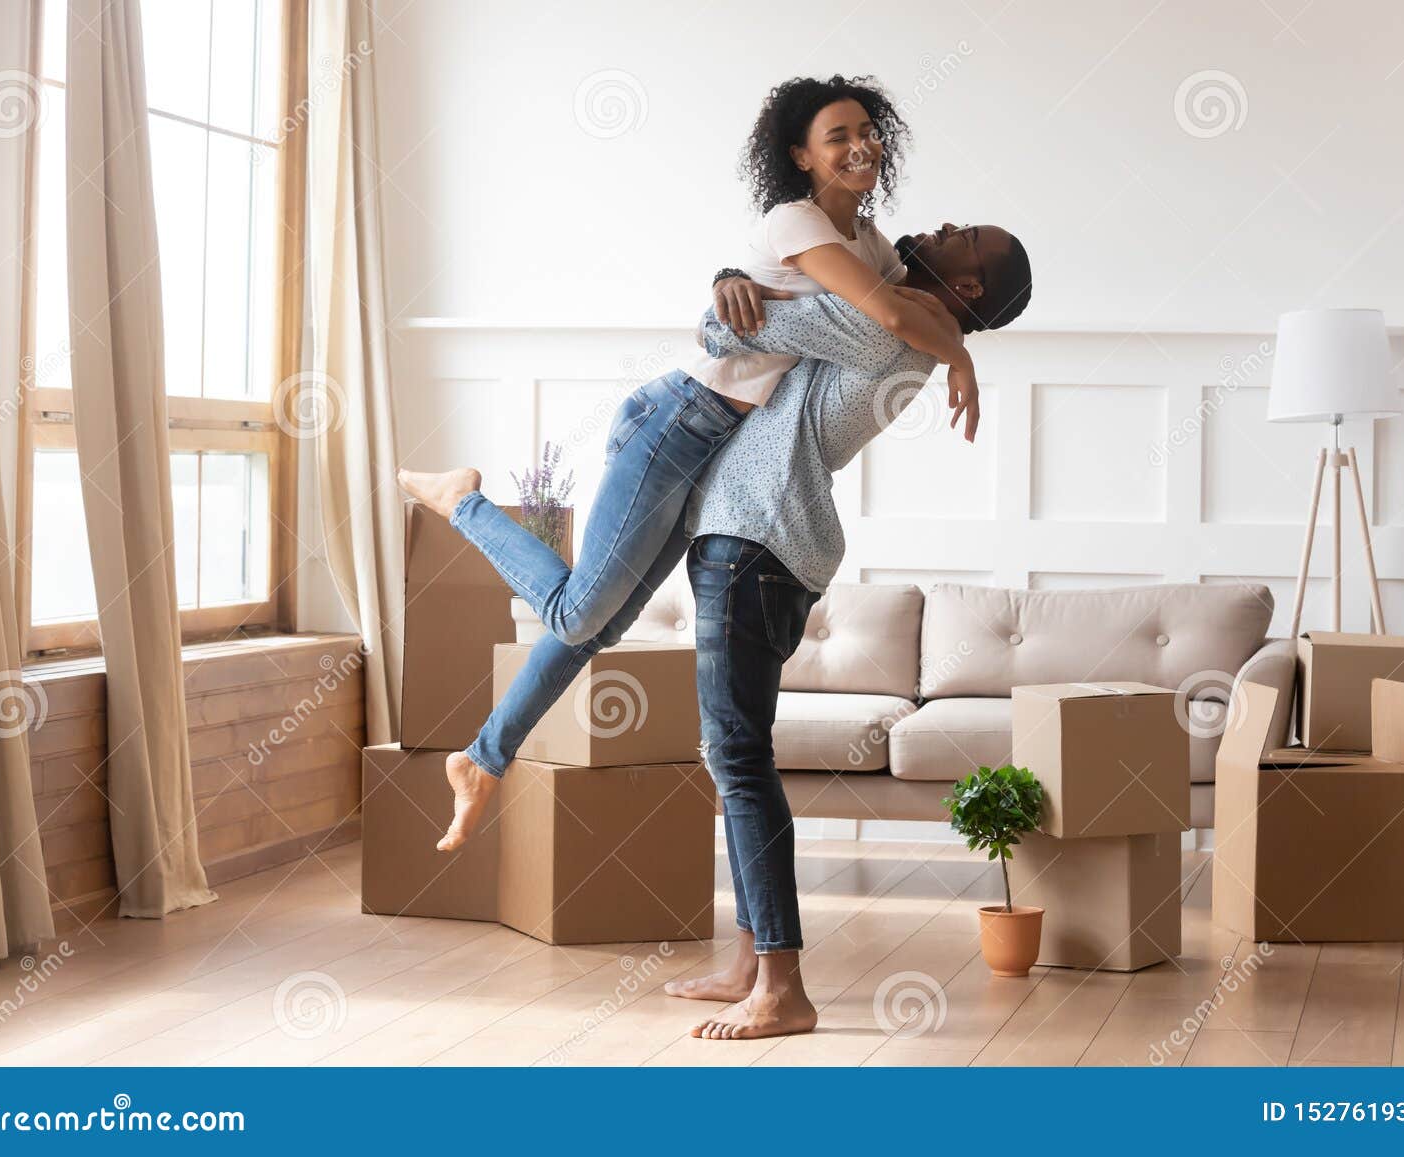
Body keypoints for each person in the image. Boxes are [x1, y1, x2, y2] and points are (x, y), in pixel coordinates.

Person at [399, 75, 983, 851]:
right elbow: (883, 321)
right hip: (678, 419)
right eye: (836, 135)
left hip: (715, 450)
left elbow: (902, 309)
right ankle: (462, 499)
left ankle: (481, 759)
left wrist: (945, 338)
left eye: (866, 131)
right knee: (578, 613)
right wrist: (960, 360)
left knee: (594, 631)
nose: (857, 145)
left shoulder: (871, 245)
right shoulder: (796, 220)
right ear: (802, 156)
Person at [668, 225, 1032, 1040]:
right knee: (735, 755)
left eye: (960, 238)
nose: (938, 228)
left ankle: (782, 987)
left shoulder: (882, 323)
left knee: (737, 758)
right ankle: (747, 962)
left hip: (755, 543)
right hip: (759, 544)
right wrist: (738, 275)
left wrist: (735, 281)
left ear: (967, 288)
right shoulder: (904, 326)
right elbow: (756, 305)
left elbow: (727, 325)